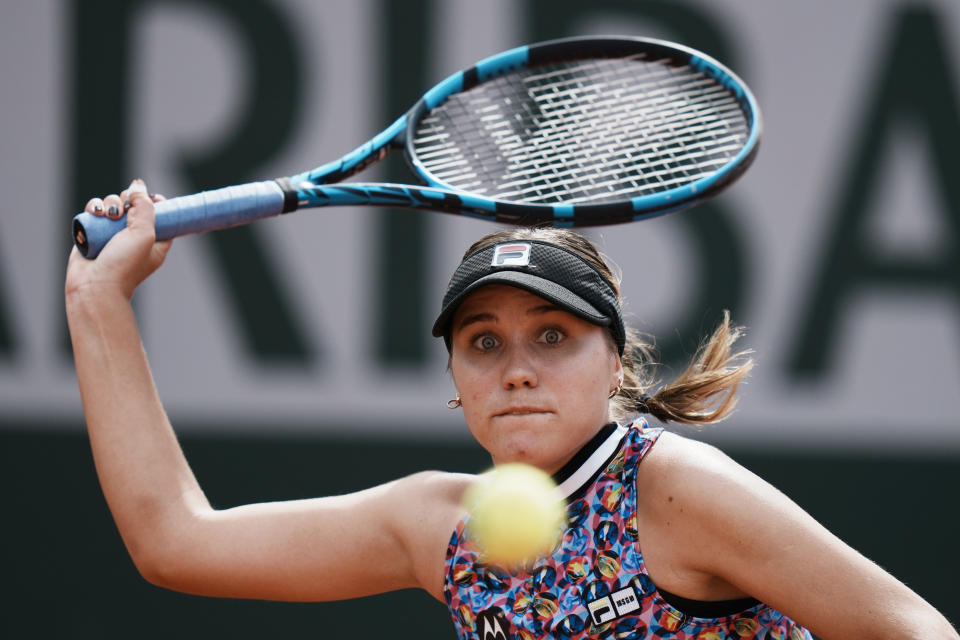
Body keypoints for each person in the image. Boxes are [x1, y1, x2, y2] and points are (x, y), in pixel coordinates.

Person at [66, 180, 958, 640]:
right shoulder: (437, 528)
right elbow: (173, 541)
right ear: (455, 376)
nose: (517, 369)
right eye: (484, 342)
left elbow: (911, 628)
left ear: (614, 362)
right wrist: (97, 302)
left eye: (553, 337)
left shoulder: (672, 487)